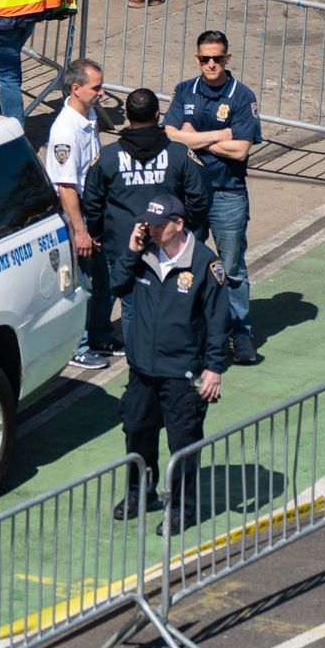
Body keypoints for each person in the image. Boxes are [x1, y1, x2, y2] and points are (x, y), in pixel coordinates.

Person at [108, 195, 229, 535]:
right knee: (136, 432)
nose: (152, 229)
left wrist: (214, 368)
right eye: (149, 223)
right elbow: (116, 285)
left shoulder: (206, 265)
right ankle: (139, 491)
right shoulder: (143, 254)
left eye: (159, 224)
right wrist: (131, 250)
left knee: (182, 442)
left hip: (182, 373)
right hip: (143, 371)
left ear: (179, 224)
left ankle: (181, 508)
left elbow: (218, 321)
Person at [83, 87, 213, 357]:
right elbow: (200, 198)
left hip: (123, 245)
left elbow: (92, 202)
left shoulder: (107, 157)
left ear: (128, 116)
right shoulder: (180, 155)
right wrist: (183, 228)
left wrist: (97, 233)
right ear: (158, 115)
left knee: (132, 307)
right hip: (170, 246)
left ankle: (139, 367)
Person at [166, 30, 260, 364]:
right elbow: (172, 138)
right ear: (197, 59)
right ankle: (195, 333)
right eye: (205, 59)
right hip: (189, 195)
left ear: (227, 59)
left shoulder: (241, 96)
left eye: (217, 58)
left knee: (232, 268)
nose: (211, 64)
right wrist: (221, 135)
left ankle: (240, 334)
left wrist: (197, 138)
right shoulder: (184, 91)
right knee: (188, 265)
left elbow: (240, 151)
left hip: (227, 194)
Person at [45, 59, 115, 369]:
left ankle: (100, 336)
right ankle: (79, 345)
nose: (102, 92)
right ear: (76, 88)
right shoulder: (65, 129)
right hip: (80, 209)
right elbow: (66, 186)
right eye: (96, 87)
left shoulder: (87, 116)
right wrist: (80, 230)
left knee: (104, 277)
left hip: (95, 206)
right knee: (84, 282)